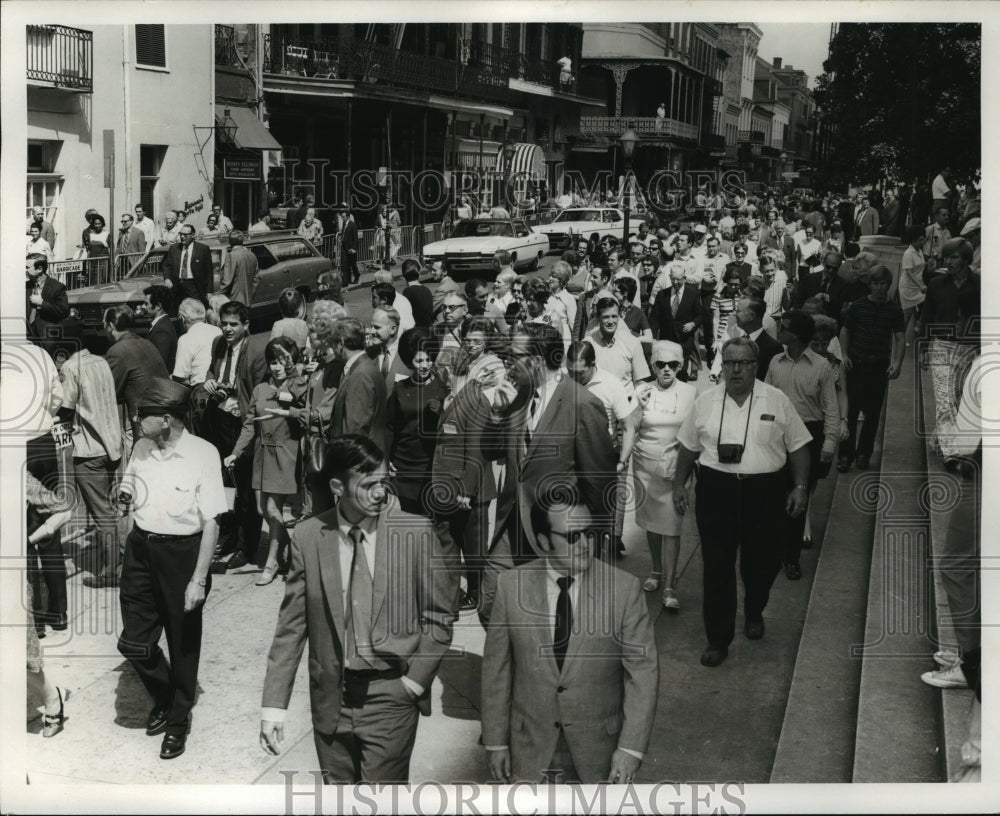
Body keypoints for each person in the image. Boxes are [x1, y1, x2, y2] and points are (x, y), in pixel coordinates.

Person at [259, 435, 460, 783]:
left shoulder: (414, 533)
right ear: (338, 486)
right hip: (330, 703)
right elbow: (291, 628)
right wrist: (273, 706)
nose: (380, 493)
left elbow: (440, 618)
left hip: (391, 699)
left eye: (384, 482)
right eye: (368, 485)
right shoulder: (308, 537)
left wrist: (412, 684)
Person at [481, 491, 658, 784]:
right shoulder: (511, 587)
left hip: (599, 754)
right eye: (572, 537)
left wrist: (631, 748)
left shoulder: (624, 590)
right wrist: (495, 741)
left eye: (590, 533)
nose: (585, 545)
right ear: (543, 541)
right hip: (528, 751)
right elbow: (496, 671)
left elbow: (643, 673)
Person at [672, 337, 813, 667]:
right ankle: (718, 639)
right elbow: (688, 448)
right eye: (730, 362)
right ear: (723, 365)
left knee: (763, 562)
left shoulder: (776, 400)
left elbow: (799, 447)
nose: (737, 369)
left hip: (764, 491)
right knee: (717, 567)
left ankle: (754, 608)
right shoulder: (705, 401)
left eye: (744, 363)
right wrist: (679, 483)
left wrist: (800, 487)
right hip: (716, 491)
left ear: (755, 365)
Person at [117, 378, 228, 760]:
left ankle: (178, 720)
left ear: (166, 419)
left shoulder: (203, 454)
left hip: (183, 555)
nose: (135, 419)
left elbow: (212, 522)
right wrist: (124, 512)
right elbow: (128, 490)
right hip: (141, 550)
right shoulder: (143, 447)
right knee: (133, 642)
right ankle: (166, 696)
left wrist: (199, 579)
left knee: (183, 645)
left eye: (142, 414)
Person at [479, 325, 618, 625]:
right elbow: (490, 453)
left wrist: (591, 542)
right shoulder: (516, 396)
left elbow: (600, 480)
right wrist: (496, 414)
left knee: (550, 618)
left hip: (556, 535)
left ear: (537, 360)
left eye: (513, 357)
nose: (507, 364)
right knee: (490, 605)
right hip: (512, 525)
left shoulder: (582, 403)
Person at [224, 337, 308, 585]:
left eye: (282, 362)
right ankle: (292, 550)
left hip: (286, 453)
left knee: (272, 509)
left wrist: (292, 379)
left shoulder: (297, 387)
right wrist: (236, 453)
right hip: (263, 454)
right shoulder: (260, 390)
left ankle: (270, 564)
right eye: (273, 362)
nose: (277, 367)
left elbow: (304, 405)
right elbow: (249, 424)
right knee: (263, 510)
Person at [766, 311, 840, 580]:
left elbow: (831, 407)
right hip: (777, 434)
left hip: (809, 434)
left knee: (799, 497)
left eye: (783, 327)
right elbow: (765, 398)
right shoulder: (775, 361)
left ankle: (791, 557)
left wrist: (829, 445)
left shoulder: (821, 366)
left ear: (795, 334)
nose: (779, 330)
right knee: (774, 495)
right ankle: (772, 550)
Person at [201, 301, 268, 570]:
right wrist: (209, 381)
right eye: (224, 323)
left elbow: (258, 391)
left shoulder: (256, 351)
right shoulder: (219, 344)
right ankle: (229, 537)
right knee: (224, 484)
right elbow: (212, 370)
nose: (227, 329)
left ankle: (246, 546)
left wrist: (238, 402)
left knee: (246, 488)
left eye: (233, 324)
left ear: (245, 326)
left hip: (244, 424)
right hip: (221, 421)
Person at [632, 340, 697, 609]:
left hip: (675, 469)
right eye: (661, 364)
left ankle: (670, 584)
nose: (667, 369)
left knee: (671, 526)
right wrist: (637, 404)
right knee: (652, 523)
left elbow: (697, 432)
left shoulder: (692, 393)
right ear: (652, 365)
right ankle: (656, 570)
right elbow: (630, 427)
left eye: (673, 364)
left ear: (681, 365)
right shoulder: (641, 390)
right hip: (645, 466)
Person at [59, 344, 124, 588]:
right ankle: (117, 558)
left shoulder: (69, 367)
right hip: (110, 444)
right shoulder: (100, 361)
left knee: (102, 514)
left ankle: (110, 571)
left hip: (90, 449)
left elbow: (66, 407)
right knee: (109, 508)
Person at [837, 265, 906, 472]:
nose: (879, 287)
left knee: (873, 413)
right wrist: (845, 355)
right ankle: (845, 455)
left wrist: (898, 363)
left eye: (883, 283)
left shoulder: (894, 309)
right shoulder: (858, 306)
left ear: (889, 285)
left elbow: (900, 337)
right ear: (870, 284)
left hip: (879, 366)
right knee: (851, 411)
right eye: (876, 283)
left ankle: (864, 454)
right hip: (857, 364)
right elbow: (845, 332)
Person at [385, 327, 448, 517]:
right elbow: (389, 427)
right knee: (406, 521)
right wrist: (386, 458)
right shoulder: (400, 389)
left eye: (429, 359)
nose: (425, 365)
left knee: (429, 524)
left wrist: (441, 414)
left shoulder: (442, 389)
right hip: (403, 467)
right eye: (419, 360)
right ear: (409, 360)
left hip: (430, 467)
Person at [103, 305, 170, 449]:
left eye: (104, 325)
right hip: (164, 414)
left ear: (110, 326)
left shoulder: (117, 351)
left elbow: (108, 392)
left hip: (144, 420)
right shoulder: (146, 343)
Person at [327, 318, 388, 454]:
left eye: (332, 343)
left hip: (359, 462)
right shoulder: (364, 367)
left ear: (341, 343)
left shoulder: (360, 375)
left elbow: (354, 431)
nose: (331, 348)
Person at [648, 263, 702, 381]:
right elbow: (654, 318)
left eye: (679, 279)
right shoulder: (662, 294)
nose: (676, 282)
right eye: (673, 279)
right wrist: (653, 337)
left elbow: (700, 315)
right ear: (670, 277)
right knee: (665, 371)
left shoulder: (693, 294)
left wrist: (692, 324)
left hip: (684, 339)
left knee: (681, 371)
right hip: (666, 339)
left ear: (684, 278)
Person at [586, 297, 650, 392]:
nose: (611, 321)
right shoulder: (588, 343)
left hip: (626, 402)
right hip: (597, 402)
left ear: (619, 316)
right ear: (598, 318)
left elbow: (640, 382)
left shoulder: (632, 343)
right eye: (606, 317)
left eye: (614, 316)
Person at [171, 298, 222, 387]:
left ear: (182, 319)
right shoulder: (218, 330)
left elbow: (180, 376)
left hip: (200, 387)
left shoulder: (185, 339)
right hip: (219, 383)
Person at [163, 224, 214, 308]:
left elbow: (209, 271)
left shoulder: (202, 249)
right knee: (177, 310)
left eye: (185, 235)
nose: (182, 237)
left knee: (196, 309)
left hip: (194, 286)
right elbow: (167, 265)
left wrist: (209, 291)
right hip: (177, 286)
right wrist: (167, 279)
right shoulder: (174, 248)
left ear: (193, 235)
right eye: (181, 234)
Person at [734, 296, 782, 381]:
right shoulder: (738, 341)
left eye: (738, 311)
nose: (735, 314)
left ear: (752, 316)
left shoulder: (773, 348)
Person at [25, 254, 69, 342]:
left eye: (27, 267)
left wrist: (42, 303)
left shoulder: (57, 287)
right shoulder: (25, 286)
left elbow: (63, 312)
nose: (25, 270)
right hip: (28, 337)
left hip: (47, 339)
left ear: (39, 269)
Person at [899, 224, 928, 347]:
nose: (923, 241)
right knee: (907, 315)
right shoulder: (908, 254)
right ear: (913, 240)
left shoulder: (919, 250)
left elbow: (920, 267)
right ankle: (900, 339)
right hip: (908, 288)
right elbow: (909, 273)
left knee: (925, 306)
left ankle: (918, 327)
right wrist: (921, 286)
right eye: (920, 239)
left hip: (918, 286)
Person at [220, 230, 260, 310]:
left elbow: (227, 281)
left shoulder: (231, 255)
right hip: (248, 300)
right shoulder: (252, 255)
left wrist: (217, 295)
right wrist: (250, 293)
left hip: (233, 299)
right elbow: (257, 279)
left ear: (230, 241)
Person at [143, 284, 178, 372]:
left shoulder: (162, 330)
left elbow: (159, 365)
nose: (143, 307)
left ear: (158, 306)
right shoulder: (161, 325)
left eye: (146, 304)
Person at [400, 258, 434, 328]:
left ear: (403, 275)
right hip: (428, 328)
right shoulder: (426, 290)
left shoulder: (408, 292)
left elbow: (404, 315)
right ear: (419, 273)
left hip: (416, 329)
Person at [340, 209, 360, 285]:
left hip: (351, 248)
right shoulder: (344, 224)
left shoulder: (353, 225)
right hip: (344, 247)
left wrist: (354, 249)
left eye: (343, 217)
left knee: (352, 264)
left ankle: (357, 276)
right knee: (344, 264)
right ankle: (345, 281)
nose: (342, 219)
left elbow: (355, 238)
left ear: (348, 217)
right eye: (342, 217)